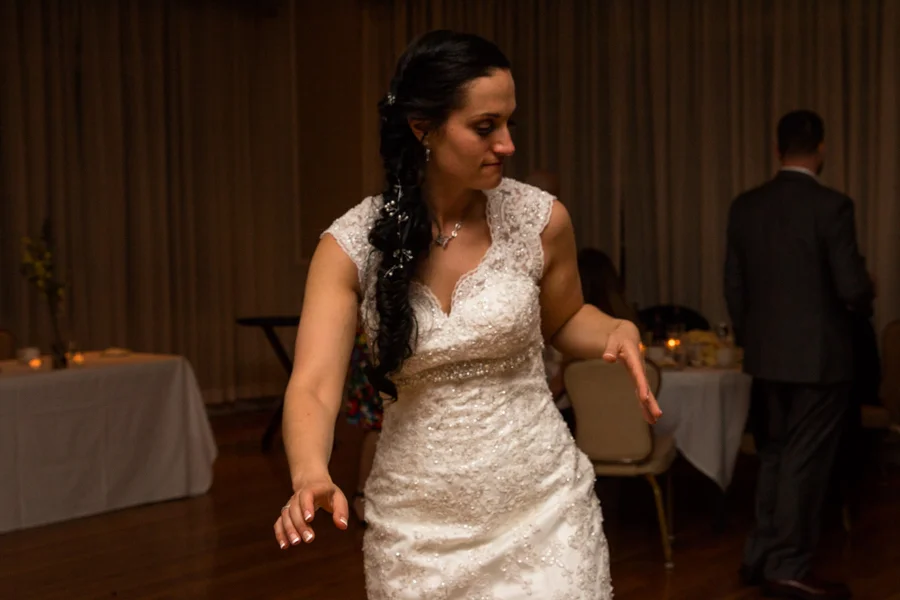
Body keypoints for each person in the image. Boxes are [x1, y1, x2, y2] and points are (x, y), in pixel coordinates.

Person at [273, 30, 660, 599]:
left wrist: (614, 328)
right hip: (417, 529)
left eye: (509, 123)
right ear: (422, 127)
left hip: (544, 509)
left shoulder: (541, 221)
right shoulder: (350, 246)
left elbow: (565, 319)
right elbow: (312, 385)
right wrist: (310, 471)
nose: (507, 144)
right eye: (485, 127)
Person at [725, 109, 873, 600]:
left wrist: (752, 339)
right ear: (821, 149)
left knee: (774, 456)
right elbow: (852, 287)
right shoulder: (833, 207)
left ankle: (760, 556)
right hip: (819, 360)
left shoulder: (746, 206)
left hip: (766, 357)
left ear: (778, 149)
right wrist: (867, 290)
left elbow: (734, 285)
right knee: (802, 463)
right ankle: (788, 565)